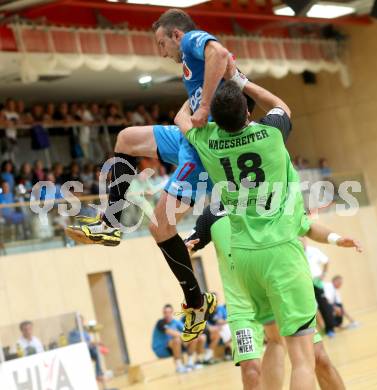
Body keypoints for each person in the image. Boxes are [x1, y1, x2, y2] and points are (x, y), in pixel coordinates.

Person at [66, 8, 238, 341]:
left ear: (176, 35)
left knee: (160, 226)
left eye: (162, 43)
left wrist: (202, 109)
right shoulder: (192, 64)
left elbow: (219, 52)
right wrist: (192, 108)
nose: (161, 51)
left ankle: (196, 302)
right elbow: (221, 67)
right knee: (126, 139)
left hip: (205, 145)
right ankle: (111, 225)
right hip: (191, 136)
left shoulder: (190, 40)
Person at [176, 75, 320, 389]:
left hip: (245, 259)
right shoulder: (270, 133)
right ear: (247, 112)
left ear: (215, 117)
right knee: (302, 357)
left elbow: (180, 119)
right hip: (280, 250)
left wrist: (200, 91)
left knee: (274, 342)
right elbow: (282, 106)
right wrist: (241, 80)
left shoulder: (207, 140)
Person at [186, 203, 361, 390]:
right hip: (242, 307)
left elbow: (305, 225)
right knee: (251, 371)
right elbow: (186, 248)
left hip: (280, 296)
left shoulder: (269, 196)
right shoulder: (213, 213)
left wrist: (336, 239)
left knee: (320, 359)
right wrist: (192, 287)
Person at [152, 304, 205, 373]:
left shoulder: (176, 322)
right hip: (162, 349)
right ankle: (179, 367)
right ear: (163, 313)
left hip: (175, 346)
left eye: (169, 312)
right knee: (177, 339)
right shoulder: (160, 323)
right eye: (165, 312)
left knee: (196, 338)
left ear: (172, 313)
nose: (167, 314)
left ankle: (190, 362)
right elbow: (170, 332)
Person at [302, 238, 336, 337]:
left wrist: (323, 274)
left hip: (316, 282)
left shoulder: (313, 251)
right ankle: (316, 331)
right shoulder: (295, 254)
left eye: (302, 239)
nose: (300, 242)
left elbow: (326, 261)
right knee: (310, 308)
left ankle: (330, 329)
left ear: (305, 240)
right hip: (304, 284)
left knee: (324, 305)